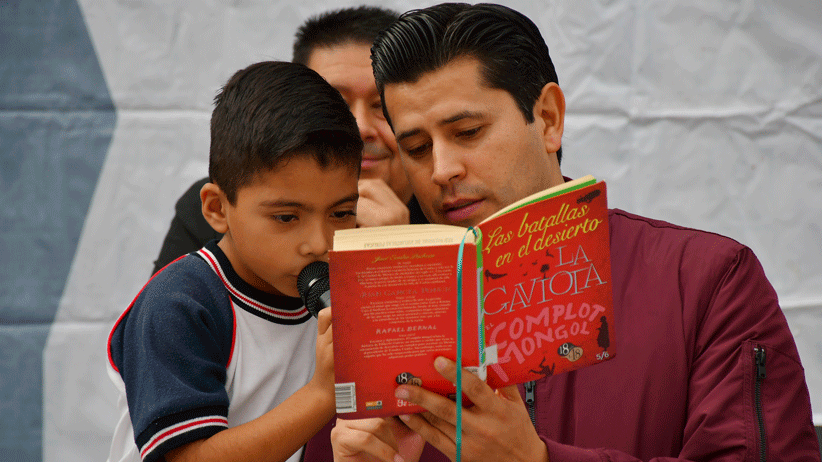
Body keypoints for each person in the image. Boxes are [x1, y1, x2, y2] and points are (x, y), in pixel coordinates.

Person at [304, 3, 821, 462]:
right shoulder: (380, 303)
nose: (441, 169)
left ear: (548, 118)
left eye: (467, 132)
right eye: (416, 147)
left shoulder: (705, 278)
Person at [106, 61, 363, 462]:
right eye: (286, 217)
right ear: (217, 208)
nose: (320, 243)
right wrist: (322, 394)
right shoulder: (180, 303)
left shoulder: (342, 293)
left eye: (342, 213)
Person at [152, 6, 424, 275]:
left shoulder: (442, 204)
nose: (361, 127)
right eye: (337, 105)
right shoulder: (232, 202)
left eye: (382, 105)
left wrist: (400, 256)